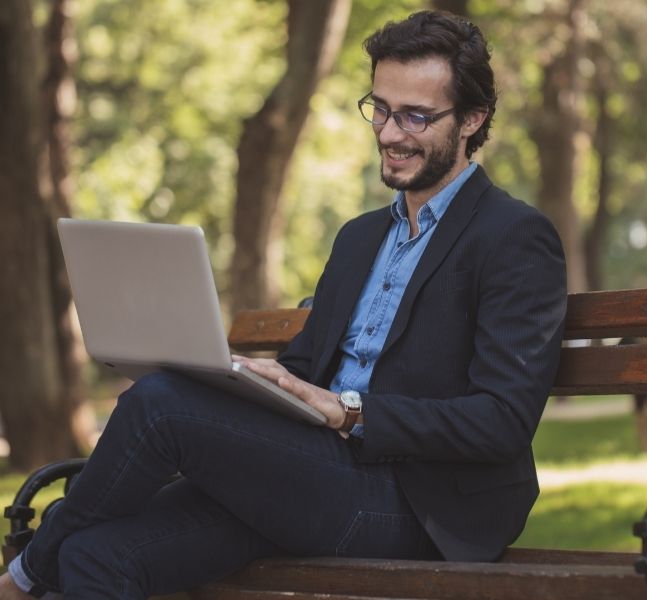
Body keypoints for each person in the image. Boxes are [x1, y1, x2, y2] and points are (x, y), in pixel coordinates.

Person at [1, 10, 566, 600]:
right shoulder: (359, 237)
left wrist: (351, 412)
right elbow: (306, 370)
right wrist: (244, 381)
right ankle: (47, 566)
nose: (390, 133)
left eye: (416, 116)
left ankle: (22, 577)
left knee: (160, 407)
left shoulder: (513, 236)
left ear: (473, 119)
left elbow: (501, 420)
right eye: (380, 108)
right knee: (98, 557)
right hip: (313, 475)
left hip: (420, 505)